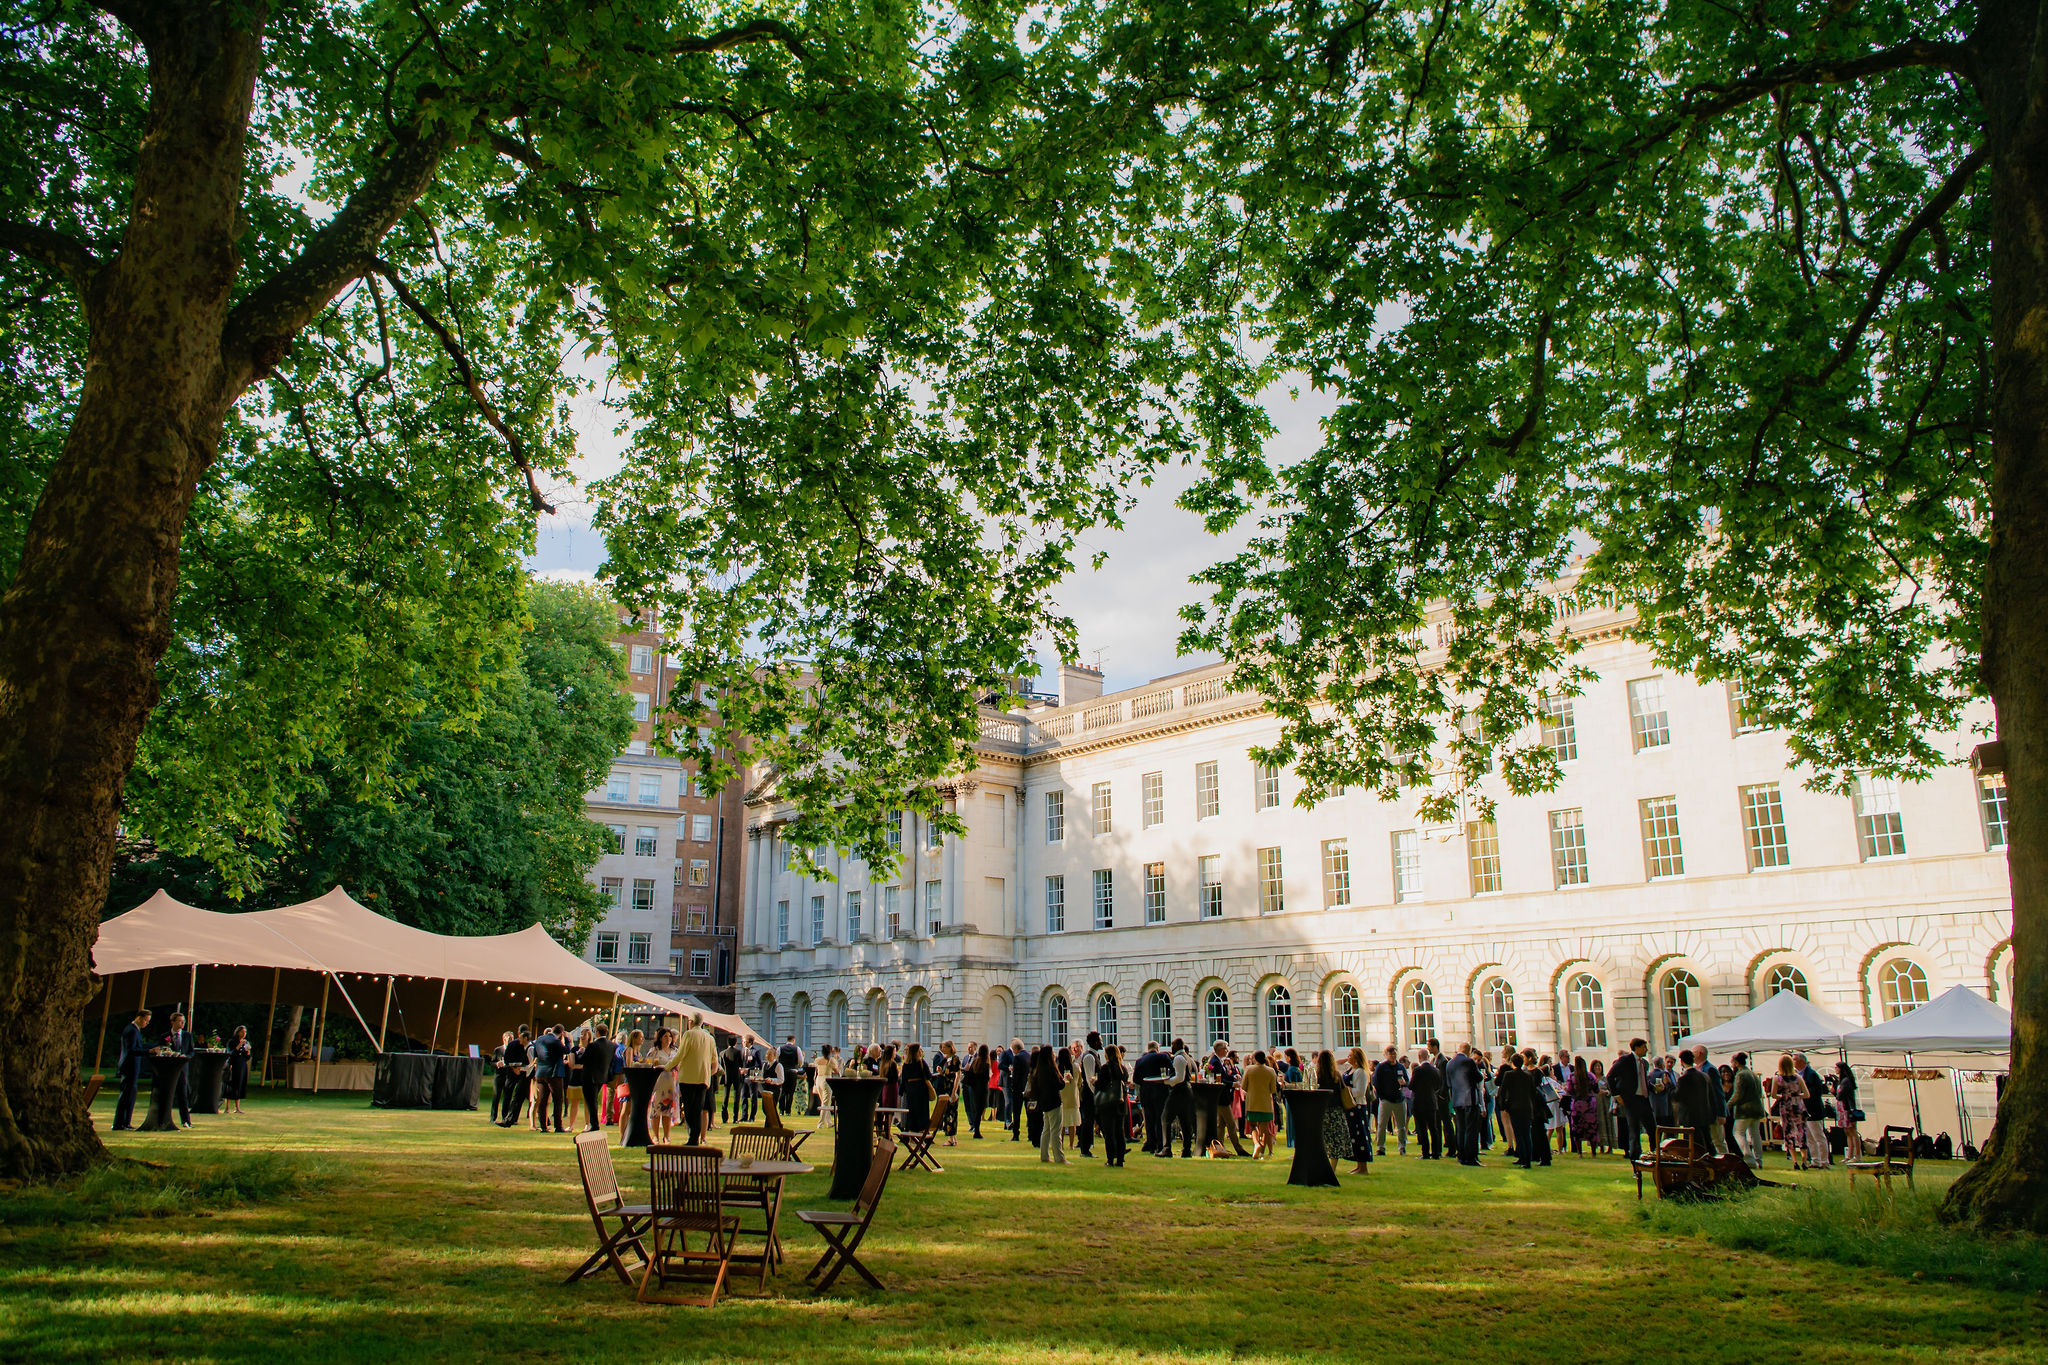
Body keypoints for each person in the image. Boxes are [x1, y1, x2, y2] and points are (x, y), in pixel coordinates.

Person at [673, 1014, 716, 1144]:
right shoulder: (709, 1038)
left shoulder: (688, 1034)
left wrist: (668, 1066)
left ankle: (693, 1137)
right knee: (697, 1108)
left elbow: (680, 1055)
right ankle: (694, 1138)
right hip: (703, 1078)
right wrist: (709, 1074)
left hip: (688, 1078)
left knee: (689, 1109)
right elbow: (714, 1060)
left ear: (691, 1021)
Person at [1608, 1038, 1654, 1160]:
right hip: (1631, 1100)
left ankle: (1655, 1156)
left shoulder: (1643, 1063)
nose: (1646, 1050)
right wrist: (1617, 1095)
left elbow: (1644, 1081)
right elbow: (1610, 1076)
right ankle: (1635, 1161)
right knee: (1634, 1133)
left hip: (1644, 1100)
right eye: (1644, 1047)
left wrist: (1655, 1088)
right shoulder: (1625, 1061)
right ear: (1637, 1048)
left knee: (1653, 1130)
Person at [1498, 1052, 1543, 1168]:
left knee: (1519, 1134)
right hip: (1526, 1107)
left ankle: (1524, 1158)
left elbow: (1503, 1091)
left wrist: (1503, 1105)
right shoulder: (1527, 1076)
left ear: (1512, 1063)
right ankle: (1526, 1158)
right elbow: (1533, 1093)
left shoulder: (1509, 1074)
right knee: (1526, 1134)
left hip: (1515, 1107)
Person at [112, 1008, 152, 1130]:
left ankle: (124, 1122)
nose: (147, 1023)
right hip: (129, 1067)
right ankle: (121, 1123)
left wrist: (153, 1046)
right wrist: (149, 1051)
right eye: (146, 1020)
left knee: (129, 1095)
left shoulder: (133, 1030)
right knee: (127, 1096)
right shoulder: (132, 1030)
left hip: (132, 1067)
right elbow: (132, 1050)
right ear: (139, 1018)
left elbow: (139, 1046)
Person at [1793, 1052, 1833, 1168]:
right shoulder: (1797, 1074)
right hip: (1804, 1111)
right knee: (1809, 1137)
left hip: (1813, 1110)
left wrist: (1801, 1094)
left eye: (1795, 1060)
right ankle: (1815, 1160)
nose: (1793, 1062)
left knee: (1818, 1136)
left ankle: (1824, 1162)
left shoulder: (1811, 1074)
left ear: (1801, 1061)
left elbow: (1815, 1092)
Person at [1446, 1044, 1483, 1166]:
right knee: (1471, 1129)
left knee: (1460, 1129)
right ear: (1468, 1051)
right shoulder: (1469, 1062)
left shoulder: (1450, 1063)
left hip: (1457, 1099)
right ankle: (1470, 1157)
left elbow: (1449, 1083)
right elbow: (1478, 1077)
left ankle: (1461, 1155)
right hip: (1469, 1099)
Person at [1770, 1054, 1809, 1166]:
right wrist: (1796, 1096)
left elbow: (1773, 1095)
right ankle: (1804, 1160)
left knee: (1788, 1132)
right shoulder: (1798, 1078)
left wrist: (1783, 1097)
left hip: (1785, 1107)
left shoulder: (1777, 1079)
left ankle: (1795, 1160)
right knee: (1801, 1132)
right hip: (1798, 1106)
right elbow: (1806, 1094)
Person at [1095, 1044, 1130, 1166]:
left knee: (1109, 1133)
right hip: (1120, 1102)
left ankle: (1110, 1159)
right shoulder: (1122, 1068)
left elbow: (1100, 1085)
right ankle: (1120, 1159)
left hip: (1108, 1103)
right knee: (1119, 1132)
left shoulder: (1106, 1068)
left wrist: (1095, 1082)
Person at [1730, 1052, 1767, 1166]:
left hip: (1745, 1111)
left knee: (1738, 1133)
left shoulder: (1741, 1075)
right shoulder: (1753, 1073)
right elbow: (1760, 1092)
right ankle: (1759, 1160)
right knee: (1755, 1134)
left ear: (1736, 1063)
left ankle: (1749, 1159)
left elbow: (1738, 1094)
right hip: (1757, 1108)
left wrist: (1728, 1105)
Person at [1163, 1039, 1197, 1158]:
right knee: (1185, 1121)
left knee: (1166, 1118)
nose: (1171, 1047)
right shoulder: (1187, 1057)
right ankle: (1186, 1149)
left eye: (1172, 1045)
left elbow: (1179, 1078)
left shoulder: (1178, 1058)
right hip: (1188, 1091)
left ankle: (1166, 1148)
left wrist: (1166, 1081)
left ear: (1177, 1046)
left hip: (1178, 1091)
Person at [1408, 1049, 1443, 1159]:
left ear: (1419, 1057)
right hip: (1431, 1101)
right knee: (1433, 1128)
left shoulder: (1418, 1070)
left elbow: (1412, 1086)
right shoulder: (1435, 1070)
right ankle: (1436, 1152)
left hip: (1419, 1102)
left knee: (1422, 1129)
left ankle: (1425, 1152)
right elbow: (1438, 1085)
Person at [1371, 1046, 1406, 1156]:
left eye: (1394, 1053)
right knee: (1382, 1124)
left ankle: (1402, 1147)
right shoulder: (1381, 1067)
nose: (1392, 1056)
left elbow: (1407, 1081)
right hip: (1386, 1100)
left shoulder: (1400, 1067)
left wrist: (1404, 1083)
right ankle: (1381, 1147)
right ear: (1385, 1055)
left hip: (1399, 1099)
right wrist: (1381, 1096)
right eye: (1390, 1054)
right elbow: (1375, 1082)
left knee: (1401, 1125)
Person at [165, 1011, 194, 1127]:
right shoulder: (165, 1036)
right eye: (180, 1021)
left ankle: (186, 1121)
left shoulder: (187, 1036)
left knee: (183, 1095)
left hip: (182, 1069)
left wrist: (186, 1056)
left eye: (183, 1021)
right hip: (168, 1070)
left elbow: (191, 1051)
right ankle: (165, 1119)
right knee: (167, 1095)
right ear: (172, 1022)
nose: (182, 1023)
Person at [1566, 1055, 1599, 1155]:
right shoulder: (1590, 1076)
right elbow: (1596, 1089)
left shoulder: (1572, 1076)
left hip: (1577, 1104)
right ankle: (1593, 1151)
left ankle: (1579, 1152)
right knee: (1591, 1127)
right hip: (1589, 1104)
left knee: (1577, 1128)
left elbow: (1570, 1090)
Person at [1077, 1033, 1103, 1157]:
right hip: (1089, 1094)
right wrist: (1096, 1094)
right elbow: (1089, 1079)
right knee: (1088, 1121)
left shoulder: (1095, 1055)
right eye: (1100, 1040)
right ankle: (1085, 1149)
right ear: (1095, 1042)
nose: (1102, 1042)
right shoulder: (1089, 1057)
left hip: (1092, 1093)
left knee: (1091, 1120)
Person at [901, 1042, 935, 1133]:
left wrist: (903, 1091)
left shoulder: (905, 1064)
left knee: (912, 1112)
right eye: (920, 1050)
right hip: (921, 1090)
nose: (921, 1051)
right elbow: (928, 1075)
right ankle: (922, 1133)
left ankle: (912, 1133)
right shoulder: (921, 1062)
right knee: (922, 1113)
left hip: (910, 1091)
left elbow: (903, 1079)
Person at [1835, 1060, 1863, 1160]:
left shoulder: (1846, 1081)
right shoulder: (1844, 1080)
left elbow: (1841, 1095)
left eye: (1836, 1067)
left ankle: (1857, 1155)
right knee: (1847, 1131)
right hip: (1843, 1109)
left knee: (1853, 1131)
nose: (1835, 1069)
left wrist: (1835, 1092)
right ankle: (1850, 1155)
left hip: (1847, 1108)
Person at [1002, 1038, 1029, 1141]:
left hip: (1018, 1089)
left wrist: (1013, 1086)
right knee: (1028, 1112)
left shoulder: (1017, 1057)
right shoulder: (1028, 1055)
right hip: (1027, 1088)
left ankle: (1016, 1134)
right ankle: (1031, 1133)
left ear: (1016, 1048)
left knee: (1017, 1113)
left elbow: (1016, 1075)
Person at [223, 1024, 252, 1115]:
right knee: (231, 1084)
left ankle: (237, 1107)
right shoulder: (232, 1042)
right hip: (233, 1065)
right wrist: (239, 1045)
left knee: (239, 1084)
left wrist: (248, 1052)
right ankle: (227, 1107)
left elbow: (247, 1057)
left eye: (245, 1032)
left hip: (242, 1065)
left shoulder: (246, 1043)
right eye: (242, 1032)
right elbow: (230, 1053)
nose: (244, 1034)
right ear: (238, 1032)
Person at [962, 1043, 990, 1138]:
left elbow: (971, 1075)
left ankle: (975, 1129)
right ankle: (976, 1131)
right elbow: (986, 1078)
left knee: (976, 1109)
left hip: (974, 1089)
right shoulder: (985, 1064)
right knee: (979, 1111)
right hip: (982, 1089)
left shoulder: (975, 1062)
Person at [778, 1036, 804, 1115]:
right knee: (790, 1092)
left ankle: (781, 1110)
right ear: (793, 1040)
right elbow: (800, 1060)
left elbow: (777, 1059)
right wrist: (798, 1066)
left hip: (783, 1071)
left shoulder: (780, 1048)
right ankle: (788, 1111)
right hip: (793, 1071)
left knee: (782, 1091)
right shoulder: (797, 1049)